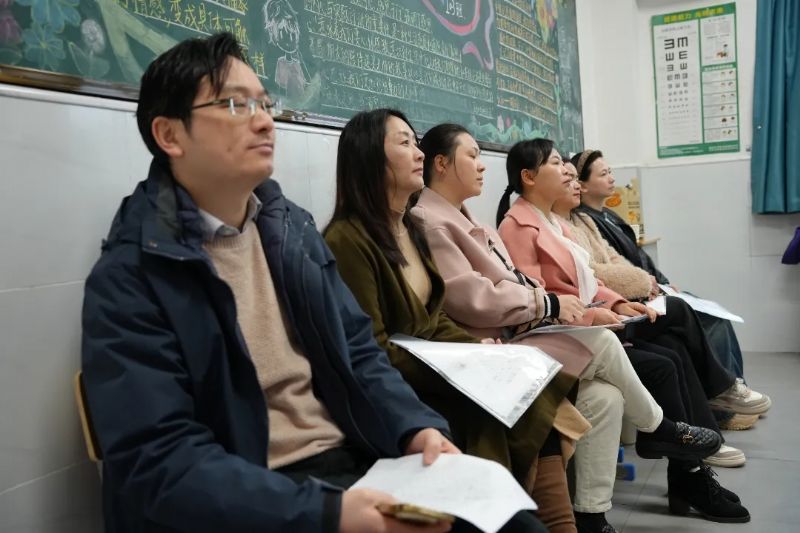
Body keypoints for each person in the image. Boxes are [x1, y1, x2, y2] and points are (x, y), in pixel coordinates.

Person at [81, 32, 516, 533]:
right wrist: (326, 514)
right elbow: (160, 464)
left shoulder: (289, 230)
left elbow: (358, 351)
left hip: (352, 462)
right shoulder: (133, 275)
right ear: (169, 135)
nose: (265, 121)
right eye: (236, 105)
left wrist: (413, 427)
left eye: (265, 103)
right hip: (256, 495)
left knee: (510, 521)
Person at [410, 123, 722, 533]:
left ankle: (592, 515)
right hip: (498, 343)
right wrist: (550, 304)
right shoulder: (438, 222)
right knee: (615, 344)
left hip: (528, 327)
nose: (481, 165)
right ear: (440, 163)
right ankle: (660, 428)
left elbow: (558, 280)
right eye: (472, 155)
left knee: (608, 397)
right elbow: (476, 298)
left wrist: (604, 302)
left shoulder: (477, 221)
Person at [324, 109, 585, 533]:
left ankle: (553, 521)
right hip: (399, 383)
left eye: (417, 142)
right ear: (369, 156)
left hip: (435, 364)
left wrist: (475, 349)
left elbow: (433, 318)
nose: (419, 153)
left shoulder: (407, 228)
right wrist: (461, 364)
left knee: (533, 388)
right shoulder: (348, 239)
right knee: (506, 406)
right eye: (404, 143)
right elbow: (372, 347)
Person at [497, 139, 751, 524]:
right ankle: (678, 450)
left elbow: (588, 280)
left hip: (587, 326)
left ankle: (687, 470)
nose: (566, 172)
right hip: (560, 336)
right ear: (529, 177)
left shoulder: (556, 223)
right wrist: (594, 314)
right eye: (556, 164)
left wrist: (616, 303)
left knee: (671, 347)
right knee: (664, 360)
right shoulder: (517, 226)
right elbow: (538, 300)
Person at [558, 161, 765, 434]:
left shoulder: (589, 219)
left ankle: (708, 427)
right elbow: (590, 274)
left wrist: (654, 282)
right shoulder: (552, 226)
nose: (573, 184)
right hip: (594, 320)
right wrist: (643, 284)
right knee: (686, 318)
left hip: (620, 301)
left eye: (574, 177)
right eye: (567, 177)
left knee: (682, 338)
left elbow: (617, 259)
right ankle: (722, 400)